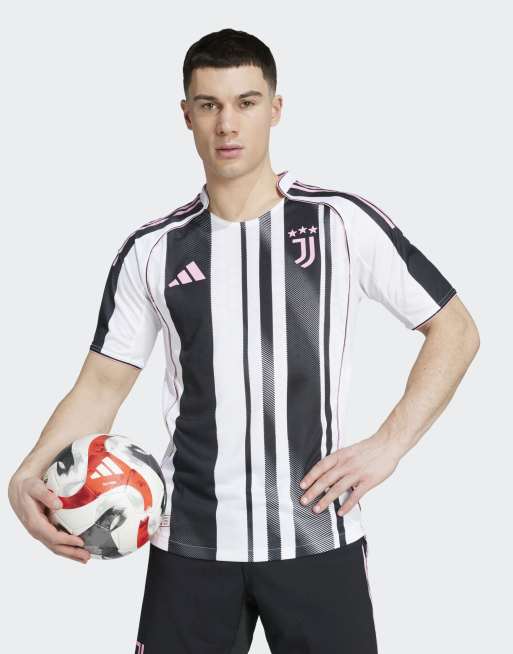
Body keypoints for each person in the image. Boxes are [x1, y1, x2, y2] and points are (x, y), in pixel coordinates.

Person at [8, 27, 479, 654]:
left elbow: (455, 329)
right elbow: (100, 387)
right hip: (191, 543)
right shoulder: (152, 251)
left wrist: (389, 445)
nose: (227, 124)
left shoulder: (339, 222)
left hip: (318, 537)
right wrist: (25, 476)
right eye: (209, 105)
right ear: (187, 115)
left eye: (246, 102)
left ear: (275, 109)